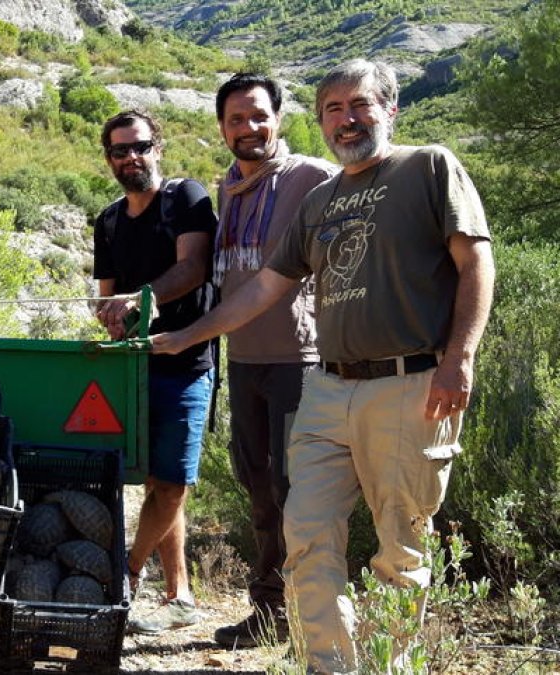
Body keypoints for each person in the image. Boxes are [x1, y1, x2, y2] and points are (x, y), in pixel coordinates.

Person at [150, 59, 494, 673]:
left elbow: (476, 264)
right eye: (333, 109)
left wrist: (458, 359)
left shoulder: (428, 167)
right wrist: (187, 336)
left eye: (360, 105)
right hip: (330, 387)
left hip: (412, 383)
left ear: (389, 108)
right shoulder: (321, 201)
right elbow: (264, 288)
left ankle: (387, 665)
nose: (347, 120)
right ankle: (329, 664)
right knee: (305, 533)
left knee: (401, 549)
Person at [210, 73, 337, 649]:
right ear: (222, 127)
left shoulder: (311, 176)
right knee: (258, 487)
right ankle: (268, 612)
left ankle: (311, 617)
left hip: (298, 360)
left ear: (278, 119)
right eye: (236, 119)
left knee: (297, 492)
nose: (249, 128)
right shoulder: (228, 188)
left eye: (259, 116)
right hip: (243, 359)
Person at [92, 110, 217, 634]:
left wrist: (138, 300)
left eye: (139, 147)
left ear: (157, 148)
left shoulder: (186, 198)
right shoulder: (108, 221)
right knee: (155, 481)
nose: (131, 158)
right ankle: (179, 594)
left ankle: (127, 571)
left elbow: (193, 268)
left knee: (172, 487)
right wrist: (109, 314)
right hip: (132, 370)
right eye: (119, 151)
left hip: (186, 364)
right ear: (108, 159)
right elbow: (104, 296)